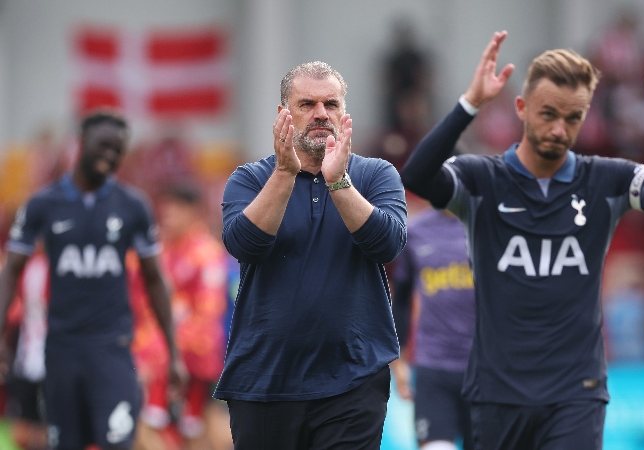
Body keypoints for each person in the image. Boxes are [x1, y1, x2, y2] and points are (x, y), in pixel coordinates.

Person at [400, 31, 644, 449]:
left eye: (572, 118)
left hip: (576, 391)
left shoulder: (608, 180)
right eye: (548, 114)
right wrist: (470, 104)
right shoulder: (483, 179)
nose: (558, 129)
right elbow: (417, 176)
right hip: (497, 393)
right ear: (522, 107)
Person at [214, 61, 407, 449]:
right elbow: (244, 245)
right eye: (306, 104)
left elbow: (388, 245)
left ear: (343, 113)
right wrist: (285, 173)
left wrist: (338, 182)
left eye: (331, 104)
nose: (321, 113)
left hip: (352, 381)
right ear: (283, 115)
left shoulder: (376, 176)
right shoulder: (249, 179)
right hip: (264, 382)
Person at [0, 110, 186, 450]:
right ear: (82, 144)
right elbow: (11, 270)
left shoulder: (133, 206)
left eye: (117, 150)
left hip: (111, 349)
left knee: (117, 442)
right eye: (103, 146)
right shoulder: (43, 204)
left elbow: (155, 279)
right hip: (61, 351)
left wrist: (173, 351)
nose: (110, 156)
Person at [138, 183, 228, 447]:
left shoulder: (206, 255)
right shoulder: (161, 251)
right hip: (161, 357)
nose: (166, 215)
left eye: (174, 208)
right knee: (169, 431)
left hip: (194, 359)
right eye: (164, 208)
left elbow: (207, 315)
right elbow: (145, 307)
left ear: (193, 211)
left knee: (195, 432)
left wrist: (159, 351)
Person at [390, 207, 475, 450]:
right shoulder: (415, 230)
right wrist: (400, 360)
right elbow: (402, 301)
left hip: (486, 370)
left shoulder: (490, 224)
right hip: (433, 366)